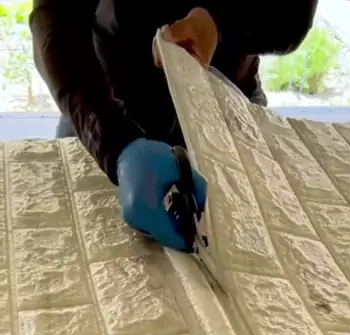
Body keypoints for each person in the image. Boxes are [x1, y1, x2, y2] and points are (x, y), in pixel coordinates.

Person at [30, 2, 318, 250]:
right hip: (105, 106)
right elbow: (55, 15)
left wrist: (219, 23)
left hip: (225, 105)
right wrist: (113, 143)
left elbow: (293, 15)